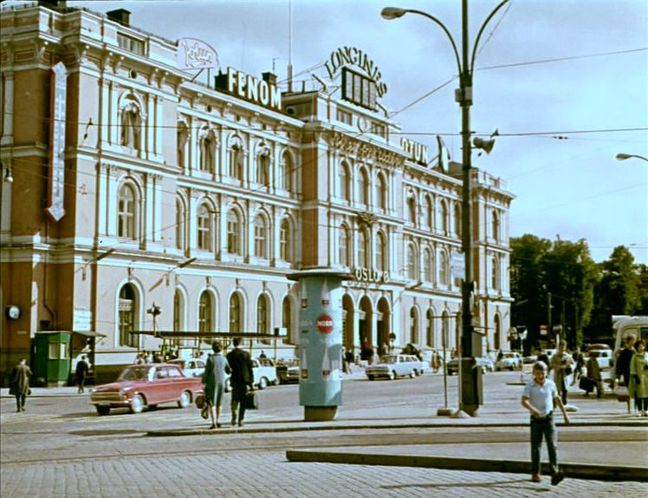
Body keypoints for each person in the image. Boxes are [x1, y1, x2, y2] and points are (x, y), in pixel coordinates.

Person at [521, 361, 570, 485]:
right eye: (537, 373)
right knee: (536, 447)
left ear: (546, 373)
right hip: (536, 419)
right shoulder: (529, 386)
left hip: (549, 418)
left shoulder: (550, 384)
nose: (540, 376)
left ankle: (554, 473)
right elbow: (524, 401)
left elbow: (557, 398)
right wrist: (533, 409)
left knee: (552, 445)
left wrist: (565, 415)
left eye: (542, 373)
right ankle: (535, 473)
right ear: (533, 374)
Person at [226, 338, 254, 427]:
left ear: (233, 344)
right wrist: (251, 382)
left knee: (234, 400)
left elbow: (228, 369)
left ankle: (234, 414)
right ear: (241, 343)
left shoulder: (229, 355)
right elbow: (250, 368)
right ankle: (241, 420)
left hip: (235, 380)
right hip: (245, 381)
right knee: (243, 401)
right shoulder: (246, 354)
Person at [203, 342, 230, 429]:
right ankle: (218, 420)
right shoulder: (224, 359)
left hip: (212, 383)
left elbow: (206, 372)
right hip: (222, 382)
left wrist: (204, 381)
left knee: (212, 403)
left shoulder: (210, 359)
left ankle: (214, 422)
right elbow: (229, 370)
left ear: (213, 349)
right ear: (221, 349)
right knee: (219, 403)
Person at [629, 340, 648, 416]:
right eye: (639, 346)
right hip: (639, 377)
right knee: (639, 395)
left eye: (642, 346)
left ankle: (646, 410)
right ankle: (640, 410)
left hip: (646, 377)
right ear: (637, 347)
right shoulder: (635, 356)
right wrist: (635, 376)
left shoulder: (647, 355)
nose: (641, 347)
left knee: (647, 394)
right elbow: (632, 366)